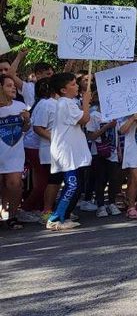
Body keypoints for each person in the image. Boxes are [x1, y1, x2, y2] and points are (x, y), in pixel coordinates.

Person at [46, 72, 93, 231]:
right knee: (72, 185)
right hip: (65, 152)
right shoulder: (65, 103)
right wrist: (86, 103)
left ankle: (64, 216)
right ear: (63, 90)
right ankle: (54, 218)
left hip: (71, 151)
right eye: (73, 84)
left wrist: (82, 104)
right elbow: (84, 119)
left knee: (77, 186)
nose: (77, 86)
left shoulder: (69, 103)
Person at [0, 74, 32, 229]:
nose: (13, 87)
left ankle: (13, 216)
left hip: (15, 152)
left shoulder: (20, 106)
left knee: (15, 184)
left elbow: (25, 129)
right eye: (8, 85)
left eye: (14, 85)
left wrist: (26, 120)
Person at [85, 87, 122, 218]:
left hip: (112, 152)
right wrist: (106, 127)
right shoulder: (94, 116)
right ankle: (100, 205)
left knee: (113, 178)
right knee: (100, 178)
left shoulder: (114, 116)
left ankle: (111, 203)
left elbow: (116, 135)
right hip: (98, 152)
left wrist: (118, 150)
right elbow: (91, 136)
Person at [20, 79, 52, 218]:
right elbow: (38, 128)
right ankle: (26, 208)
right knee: (43, 181)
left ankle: (37, 207)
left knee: (43, 180)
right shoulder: (44, 104)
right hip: (35, 147)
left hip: (37, 146)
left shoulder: (41, 103)